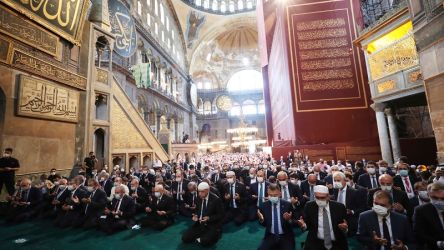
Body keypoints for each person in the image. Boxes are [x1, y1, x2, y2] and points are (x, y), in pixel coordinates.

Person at [298, 185, 349, 250]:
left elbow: (345, 225)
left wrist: (345, 229)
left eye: (322, 198)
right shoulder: (309, 206)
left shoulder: (339, 207)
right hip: (315, 243)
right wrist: (303, 225)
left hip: (336, 244)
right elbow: (307, 223)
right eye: (317, 197)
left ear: (328, 196)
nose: (319, 200)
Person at [182, 182, 225, 247]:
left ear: (207, 190)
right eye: (199, 191)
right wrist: (195, 215)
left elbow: (221, 215)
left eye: (202, 192)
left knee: (204, 242)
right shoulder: (198, 197)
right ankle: (203, 236)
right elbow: (197, 210)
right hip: (200, 223)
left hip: (211, 224)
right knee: (185, 238)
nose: (200, 194)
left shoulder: (216, 199)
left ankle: (212, 235)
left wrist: (209, 218)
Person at [257, 183, 295, 250]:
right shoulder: (263, 205)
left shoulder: (287, 205)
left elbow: (294, 222)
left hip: (285, 236)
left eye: (275, 195)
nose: (272, 197)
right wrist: (261, 220)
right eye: (270, 195)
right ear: (267, 194)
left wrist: (289, 220)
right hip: (270, 235)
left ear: (280, 194)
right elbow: (264, 224)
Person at [413, 182, 444, 249]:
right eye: (435, 198)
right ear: (428, 195)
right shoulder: (421, 211)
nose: (439, 201)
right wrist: (438, 243)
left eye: (442, 198)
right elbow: (419, 234)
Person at [332, 172, 363, 236]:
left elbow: (362, 207)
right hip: (336, 220)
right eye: (334, 180)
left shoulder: (354, 192)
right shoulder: (335, 190)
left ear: (344, 180)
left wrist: (352, 211)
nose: (336, 182)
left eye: (338, 180)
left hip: (350, 220)